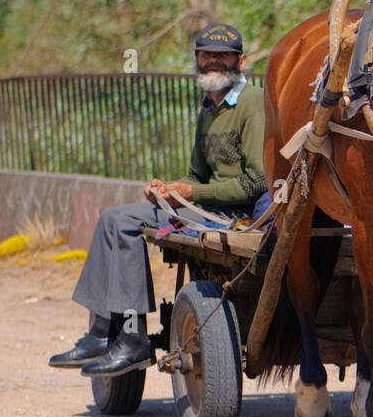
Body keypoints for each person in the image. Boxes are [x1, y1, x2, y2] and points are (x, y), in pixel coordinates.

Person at [48, 22, 271, 377]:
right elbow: (197, 178)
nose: (214, 61)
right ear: (197, 60)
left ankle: (133, 341)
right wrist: (169, 189)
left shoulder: (252, 102)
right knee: (111, 217)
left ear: (241, 61)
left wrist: (191, 193)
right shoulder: (208, 108)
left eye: (223, 55)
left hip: (240, 216)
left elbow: (258, 182)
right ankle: (101, 333)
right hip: (208, 207)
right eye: (206, 54)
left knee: (124, 223)